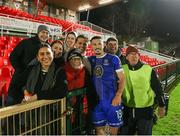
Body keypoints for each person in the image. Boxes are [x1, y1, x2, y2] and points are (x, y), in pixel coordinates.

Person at [120, 45, 166, 135]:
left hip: (145, 110)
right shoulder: (122, 69)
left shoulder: (148, 69)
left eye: (136, 54)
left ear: (139, 56)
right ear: (127, 57)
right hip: (127, 110)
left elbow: (158, 88)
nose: (134, 56)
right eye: (131, 54)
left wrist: (162, 105)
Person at [88, 36, 126, 135]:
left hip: (112, 101)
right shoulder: (89, 60)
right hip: (96, 103)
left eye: (99, 44)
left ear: (104, 44)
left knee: (114, 132)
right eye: (94, 44)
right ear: (91, 46)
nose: (97, 46)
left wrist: (118, 95)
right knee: (99, 131)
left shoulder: (114, 59)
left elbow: (122, 78)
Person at [7, 25, 50, 105]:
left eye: (47, 33)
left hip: (34, 82)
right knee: (13, 105)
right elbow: (13, 56)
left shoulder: (47, 47)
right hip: (20, 80)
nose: (45, 35)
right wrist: (20, 69)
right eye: (43, 32)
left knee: (29, 108)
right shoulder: (26, 42)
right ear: (38, 33)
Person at [64, 48, 98, 134]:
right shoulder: (62, 71)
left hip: (80, 106)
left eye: (78, 59)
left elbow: (90, 88)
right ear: (69, 60)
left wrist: (93, 102)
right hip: (65, 107)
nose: (76, 61)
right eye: (73, 59)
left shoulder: (85, 71)